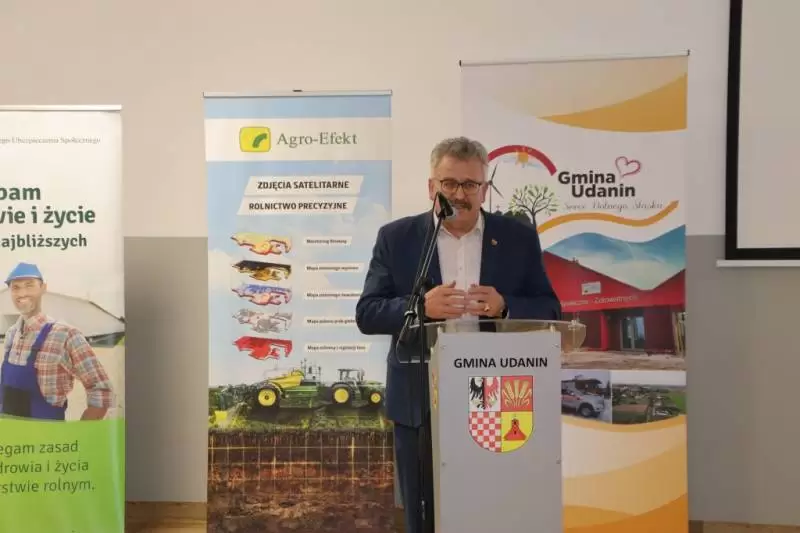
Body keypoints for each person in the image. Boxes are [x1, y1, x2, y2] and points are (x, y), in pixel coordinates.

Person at [355, 137, 561, 533]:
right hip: (420, 398)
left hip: (497, 396)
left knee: (493, 506)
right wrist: (419, 307)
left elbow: (551, 309)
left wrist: (505, 306)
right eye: (449, 183)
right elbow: (367, 313)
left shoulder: (517, 238)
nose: (459, 195)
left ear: (485, 189)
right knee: (423, 512)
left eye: (470, 185)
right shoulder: (397, 238)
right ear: (431, 186)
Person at [0, 262, 114, 421]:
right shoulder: (11, 334)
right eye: (15, 287)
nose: (22, 293)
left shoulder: (66, 335)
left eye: (29, 285)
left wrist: (80, 433)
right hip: (9, 434)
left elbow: (101, 389)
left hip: (48, 435)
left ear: (43, 288)